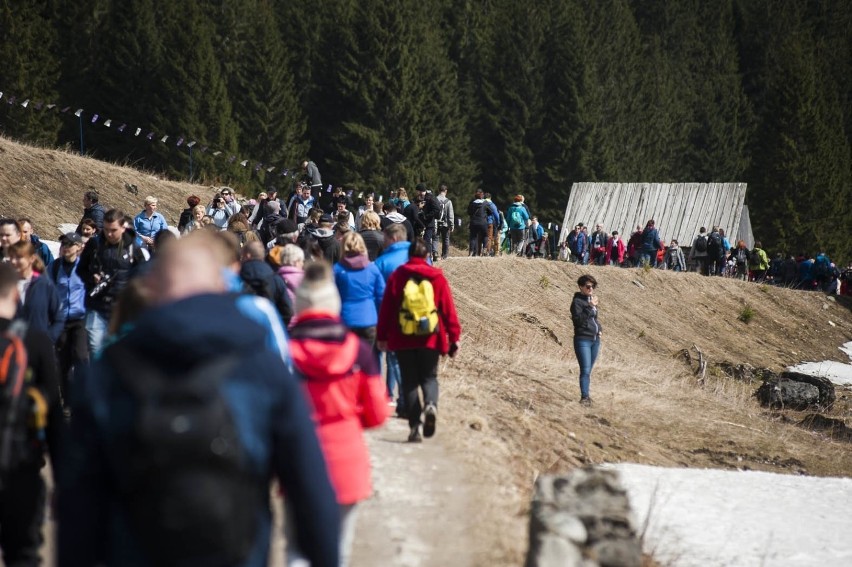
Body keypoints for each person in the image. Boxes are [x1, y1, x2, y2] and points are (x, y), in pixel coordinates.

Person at [58, 230, 340, 566]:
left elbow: (78, 503)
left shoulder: (105, 375)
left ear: (154, 291)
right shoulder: (263, 369)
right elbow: (310, 487)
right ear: (222, 289)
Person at [287, 262, 388, 567]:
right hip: (346, 461)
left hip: (298, 460)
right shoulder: (359, 352)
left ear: (299, 305)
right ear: (334, 304)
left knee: (297, 549)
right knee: (338, 552)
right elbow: (378, 414)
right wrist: (352, 413)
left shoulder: (284, 352)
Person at [0, 262, 61, 567]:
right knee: (22, 554)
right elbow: (52, 414)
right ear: (15, 293)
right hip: (18, 467)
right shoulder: (34, 340)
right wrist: (64, 478)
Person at [376, 238, 461, 442]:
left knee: (410, 382)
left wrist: (382, 337)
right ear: (427, 256)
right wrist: (454, 337)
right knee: (429, 378)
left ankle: (415, 428)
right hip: (431, 337)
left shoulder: (398, 276)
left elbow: (387, 310)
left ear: (409, 255)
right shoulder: (437, 277)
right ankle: (431, 404)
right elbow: (448, 310)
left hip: (403, 337)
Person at [78, 208, 148, 356]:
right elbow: (81, 269)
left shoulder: (134, 248)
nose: (109, 234)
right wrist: (92, 277)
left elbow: (143, 276)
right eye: (106, 229)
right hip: (97, 304)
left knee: (117, 351)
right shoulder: (94, 244)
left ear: (123, 227)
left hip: (122, 307)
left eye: (114, 230)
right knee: (95, 346)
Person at [373, 224, 411, 416]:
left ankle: (386, 394)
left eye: (385, 239)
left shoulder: (382, 262)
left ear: (394, 239)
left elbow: (376, 293)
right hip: (417, 316)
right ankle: (406, 399)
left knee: (389, 355)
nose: (384, 243)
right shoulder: (420, 258)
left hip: (390, 314)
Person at [48, 233, 89, 406]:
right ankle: (67, 401)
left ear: (79, 247)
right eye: (64, 244)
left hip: (80, 320)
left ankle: (85, 397)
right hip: (61, 321)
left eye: (70, 244)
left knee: (81, 358)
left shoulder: (86, 266)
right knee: (63, 363)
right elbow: (47, 290)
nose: (66, 247)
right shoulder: (55, 266)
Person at [333, 232, 385, 347]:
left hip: (345, 319)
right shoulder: (372, 268)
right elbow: (382, 296)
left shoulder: (336, 269)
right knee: (368, 361)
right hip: (368, 319)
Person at [8, 240, 65, 343]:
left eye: (18, 257)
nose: (13, 261)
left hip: (37, 347)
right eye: (11, 257)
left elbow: (58, 317)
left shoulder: (45, 285)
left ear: (32, 258)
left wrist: (48, 339)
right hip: (10, 348)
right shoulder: (6, 285)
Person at [239, 241, 293, 326]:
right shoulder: (276, 279)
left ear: (247, 255)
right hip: (269, 327)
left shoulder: (237, 279)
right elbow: (287, 310)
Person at [571, 274, 601, 406]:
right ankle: (584, 398)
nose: (591, 289)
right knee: (585, 369)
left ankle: (587, 396)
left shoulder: (591, 300)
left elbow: (593, 319)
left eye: (593, 286)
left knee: (589, 370)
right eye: (588, 286)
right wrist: (589, 306)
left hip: (595, 340)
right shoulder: (577, 302)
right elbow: (578, 321)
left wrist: (599, 329)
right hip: (583, 340)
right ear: (581, 287)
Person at [435, 185, 455, 260]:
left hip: (436, 223)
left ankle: (435, 253)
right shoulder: (448, 202)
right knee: (446, 239)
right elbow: (451, 215)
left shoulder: (435, 199)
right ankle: (444, 255)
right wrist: (452, 225)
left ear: (438, 190)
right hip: (445, 224)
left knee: (436, 238)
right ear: (446, 191)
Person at [467, 189, 489, 256]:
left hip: (474, 222)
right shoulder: (485, 203)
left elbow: (469, 212)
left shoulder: (472, 203)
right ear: (482, 196)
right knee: (485, 235)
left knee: (473, 237)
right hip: (483, 222)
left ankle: (471, 252)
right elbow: (491, 212)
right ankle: (484, 250)